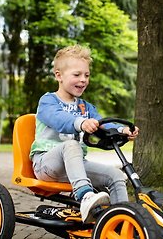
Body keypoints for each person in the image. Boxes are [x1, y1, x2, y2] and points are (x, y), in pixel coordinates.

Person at [29, 44, 139, 223]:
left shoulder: (85, 107)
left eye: (86, 75)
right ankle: (85, 196)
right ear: (59, 75)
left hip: (76, 165)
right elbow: (58, 119)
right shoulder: (48, 101)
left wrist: (122, 130)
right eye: (77, 75)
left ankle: (121, 221)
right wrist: (80, 123)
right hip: (47, 165)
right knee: (71, 145)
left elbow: (103, 124)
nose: (83, 80)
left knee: (116, 175)